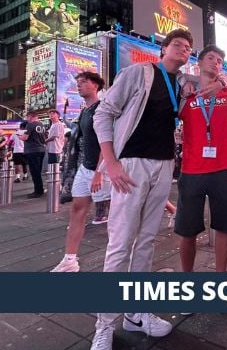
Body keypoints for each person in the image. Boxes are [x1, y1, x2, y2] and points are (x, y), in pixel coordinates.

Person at [91, 29, 194, 346]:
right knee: (120, 243)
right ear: (163, 49)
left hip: (163, 166)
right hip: (131, 164)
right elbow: (103, 114)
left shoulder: (179, 85)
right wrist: (110, 163)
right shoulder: (138, 72)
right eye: (178, 44)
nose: (184, 49)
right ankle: (104, 324)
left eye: (189, 47)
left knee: (147, 242)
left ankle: (136, 314)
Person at [176, 45, 227, 274]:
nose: (216, 62)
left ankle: (221, 278)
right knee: (188, 231)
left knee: (223, 227)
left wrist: (224, 83)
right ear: (199, 63)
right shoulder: (186, 95)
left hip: (223, 170)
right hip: (192, 171)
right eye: (211, 58)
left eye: (220, 61)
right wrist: (183, 84)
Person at [51, 71, 111, 272]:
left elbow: (107, 141)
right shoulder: (85, 111)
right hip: (86, 168)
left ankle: (122, 260)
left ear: (96, 85)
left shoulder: (103, 108)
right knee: (77, 210)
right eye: (78, 82)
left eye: (84, 82)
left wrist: (100, 172)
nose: (79, 85)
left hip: (104, 170)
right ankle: (69, 260)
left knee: (117, 219)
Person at [21, 112, 47, 198]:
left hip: (32, 150)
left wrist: (19, 136)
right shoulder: (42, 125)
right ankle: (40, 189)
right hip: (41, 149)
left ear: (31, 117)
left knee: (34, 172)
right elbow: (44, 138)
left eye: (27, 117)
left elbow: (25, 137)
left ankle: (38, 191)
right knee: (38, 171)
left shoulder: (30, 125)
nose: (27, 119)